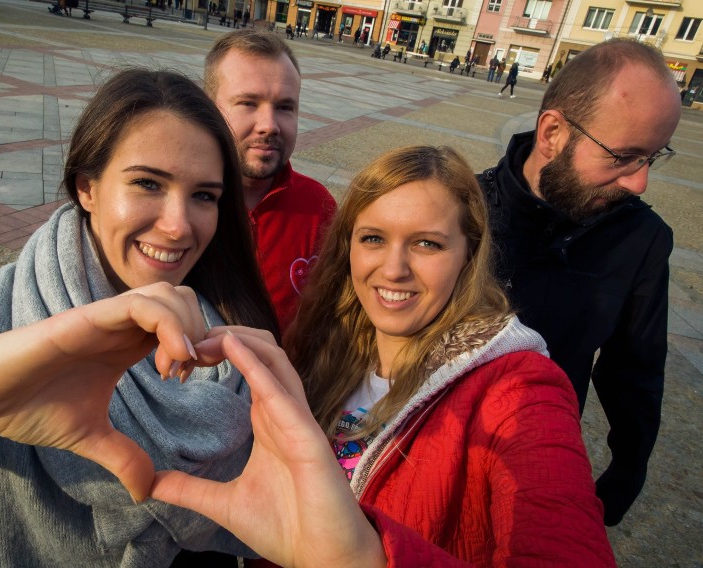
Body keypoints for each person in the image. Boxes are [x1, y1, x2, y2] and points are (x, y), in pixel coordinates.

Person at [0, 68, 279, 566]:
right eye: (147, 183)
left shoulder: (231, 326)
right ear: (87, 189)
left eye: (204, 195)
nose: (179, 224)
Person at [150, 145, 616, 566]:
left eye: (427, 243)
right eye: (373, 238)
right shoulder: (317, 348)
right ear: (347, 246)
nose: (393, 269)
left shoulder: (519, 388)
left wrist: (367, 558)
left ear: (468, 254)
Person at [477, 38, 681, 526]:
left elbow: (635, 365)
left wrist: (630, 466)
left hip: (538, 464)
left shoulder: (642, 239)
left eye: (654, 156)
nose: (639, 183)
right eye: (624, 156)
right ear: (552, 133)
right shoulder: (462, 209)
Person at [203, 30, 336, 333]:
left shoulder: (320, 207)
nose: (269, 125)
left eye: (284, 107)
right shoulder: (177, 203)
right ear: (207, 106)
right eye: (248, 103)